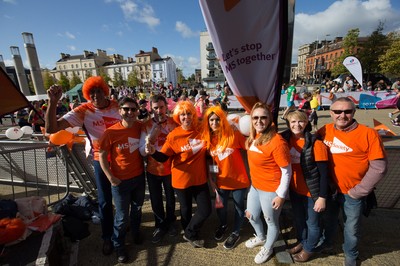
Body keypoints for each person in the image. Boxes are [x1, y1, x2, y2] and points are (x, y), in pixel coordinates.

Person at [45, 76, 121, 256]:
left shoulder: (117, 106)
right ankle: (107, 237)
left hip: (123, 159)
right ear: (87, 94)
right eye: (92, 92)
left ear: (105, 91)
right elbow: (51, 129)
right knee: (104, 201)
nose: (95, 95)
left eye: (99, 91)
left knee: (123, 198)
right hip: (100, 160)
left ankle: (124, 229)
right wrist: (52, 102)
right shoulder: (84, 110)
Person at [316, 97, 387, 266]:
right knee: (328, 220)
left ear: (354, 112)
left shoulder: (369, 134)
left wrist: (359, 191)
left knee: (351, 229)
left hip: (353, 193)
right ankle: (327, 243)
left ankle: (351, 254)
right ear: (331, 113)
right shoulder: (324, 130)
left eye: (347, 111)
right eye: (337, 111)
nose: (342, 115)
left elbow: (379, 168)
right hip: (330, 191)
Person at [145, 100, 211, 248]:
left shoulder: (201, 130)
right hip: (181, 180)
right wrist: (153, 152)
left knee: (206, 210)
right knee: (186, 210)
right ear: (178, 117)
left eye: (188, 114)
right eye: (182, 115)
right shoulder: (174, 135)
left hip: (200, 179)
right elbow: (163, 157)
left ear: (193, 115)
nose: (186, 117)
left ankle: (188, 232)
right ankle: (192, 235)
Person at [98, 97, 145, 263]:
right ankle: (118, 245)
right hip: (120, 182)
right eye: (126, 109)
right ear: (120, 111)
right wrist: (110, 177)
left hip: (139, 178)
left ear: (137, 111)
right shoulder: (110, 132)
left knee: (137, 209)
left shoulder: (140, 126)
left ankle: (135, 233)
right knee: (122, 217)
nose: (130, 112)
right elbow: (102, 155)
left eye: (133, 109)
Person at [244, 102, 292, 264]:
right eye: (255, 117)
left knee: (271, 221)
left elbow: (287, 171)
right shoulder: (254, 136)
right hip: (256, 187)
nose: (259, 121)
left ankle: (269, 247)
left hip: (271, 190)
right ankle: (261, 237)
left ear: (270, 119)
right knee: (250, 215)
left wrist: (280, 195)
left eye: (263, 117)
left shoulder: (277, 142)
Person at [280, 110, 329, 262]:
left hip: (311, 193)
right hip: (295, 190)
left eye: (300, 121)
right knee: (299, 220)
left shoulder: (316, 143)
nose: (297, 125)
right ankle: (302, 241)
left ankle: (309, 249)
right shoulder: (285, 140)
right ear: (288, 123)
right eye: (293, 122)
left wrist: (322, 197)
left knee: (312, 223)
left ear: (306, 123)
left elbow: (324, 174)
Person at [201, 106, 250, 249]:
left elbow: (249, 147)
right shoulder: (210, 140)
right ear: (208, 122)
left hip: (239, 181)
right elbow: (212, 161)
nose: (214, 123)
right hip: (221, 182)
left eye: (217, 119)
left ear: (222, 120)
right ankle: (223, 225)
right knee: (220, 207)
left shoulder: (233, 135)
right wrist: (212, 178)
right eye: (211, 120)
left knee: (239, 208)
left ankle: (235, 232)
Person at [139, 95, 178, 244]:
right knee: (156, 200)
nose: (159, 110)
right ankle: (160, 226)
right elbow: (142, 151)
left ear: (166, 107)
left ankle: (171, 222)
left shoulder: (174, 123)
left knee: (170, 198)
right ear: (151, 108)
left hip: (170, 169)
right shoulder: (146, 125)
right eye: (155, 108)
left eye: (161, 107)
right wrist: (151, 138)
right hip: (153, 170)